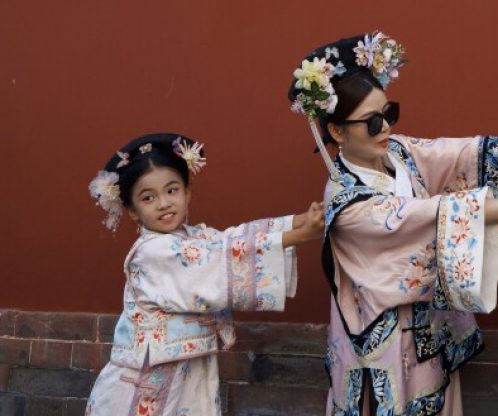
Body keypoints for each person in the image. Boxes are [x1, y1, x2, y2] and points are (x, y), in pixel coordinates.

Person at [288, 30, 498, 415]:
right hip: (385, 346)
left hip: (430, 332)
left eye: (389, 114)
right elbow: (433, 215)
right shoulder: (347, 205)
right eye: (372, 123)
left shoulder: (398, 152)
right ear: (337, 131)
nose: (386, 128)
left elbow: (457, 154)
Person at [84, 132, 325, 416]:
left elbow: (235, 239)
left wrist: (299, 221)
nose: (164, 203)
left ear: (188, 192)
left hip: (187, 369)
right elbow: (216, 259)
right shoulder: (152, 251)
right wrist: (299, 236)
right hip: (150, 378)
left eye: (172, 190)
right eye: (148, 197)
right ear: (133, 212)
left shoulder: (195, 237)